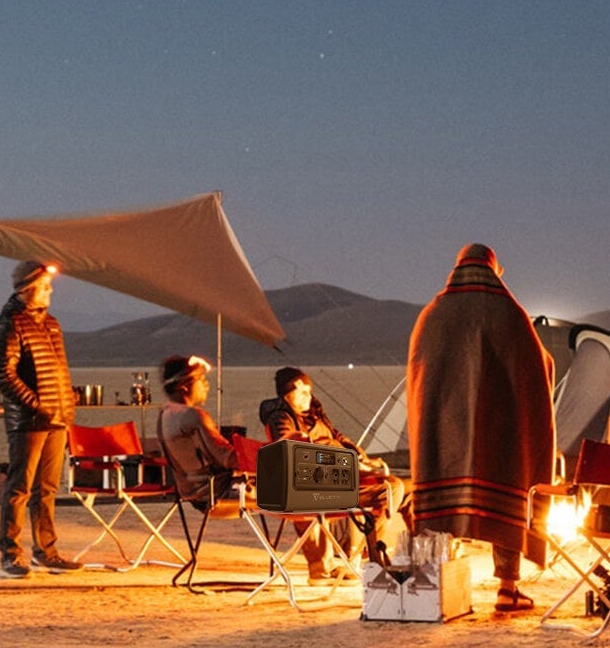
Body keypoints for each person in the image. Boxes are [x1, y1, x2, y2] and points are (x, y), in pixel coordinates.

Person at [405, 244, 555, 614]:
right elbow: (536, 368)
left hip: (443, 430)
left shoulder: (433, 314)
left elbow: (419, 374)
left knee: (440, 500)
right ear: (493, 270)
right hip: (500, 431)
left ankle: (432, 587)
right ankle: (507, 588)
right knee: (510, 491)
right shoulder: (510, 313)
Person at [259, 367, 409, 582]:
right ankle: (364, 553)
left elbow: (339, 437)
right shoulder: (282, 418)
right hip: (318, 484)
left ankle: (361, 552)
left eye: (309, 392)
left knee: (395, 486)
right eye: (302, 393)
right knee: (390, 489)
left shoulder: (315, 417)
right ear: (287, 395)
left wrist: (361, 458)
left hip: (340, 476)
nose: (308, 397)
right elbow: (293, 450)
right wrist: (346, 463)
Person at [0, 260, 82, 577]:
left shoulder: (51, 324)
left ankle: (46, 551)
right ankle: (10, 555)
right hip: (28, 422)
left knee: (47, 489)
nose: (50, 291)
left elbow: (58, 367)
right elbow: (2, 374)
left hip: (56, 418)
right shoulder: (9, 324)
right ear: (28, 288)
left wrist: (66, 400)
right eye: (44, 286)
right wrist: (35, 404)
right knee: (20, 488)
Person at [155, 355, 237, 509]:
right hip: (217, 491)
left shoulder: (164, 415)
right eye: (201, 379)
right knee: (285, 485)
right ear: (184, 386)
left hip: (191, 493)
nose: (206, 384)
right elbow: (226, 458)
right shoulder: (193, 416)